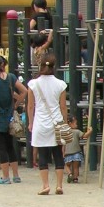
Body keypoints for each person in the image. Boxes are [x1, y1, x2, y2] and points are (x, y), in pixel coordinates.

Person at [27, 52, 69, 195]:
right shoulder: (61, 84)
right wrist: (65, 123)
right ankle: (59, 185)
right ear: (54, 66)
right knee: (58, 154)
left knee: (43, 155)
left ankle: (45, 185)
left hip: (40, 122)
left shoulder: (33, 84)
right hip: (56, 121)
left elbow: (31, 106)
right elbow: (63, 107)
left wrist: (30, 123)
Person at [0, 54, 27, 184]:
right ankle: (16, 175)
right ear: (3, 64)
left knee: (1, 147)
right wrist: (16, 104)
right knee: (10, 146)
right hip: (10, 115)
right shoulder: (11, 78)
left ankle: (5, 177)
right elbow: (24, 91)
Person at [29, 0, 55, 74]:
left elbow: (28, 28)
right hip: (49, 44)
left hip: (39, 44)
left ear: (35, 6)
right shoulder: (50, 16)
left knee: (36, 66)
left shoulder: (36, 16)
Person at [62, 114, 90, 183]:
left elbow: (63, 144)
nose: (76, 125)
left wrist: (63, 152)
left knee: (67, 165)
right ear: (70, 123)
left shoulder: (65, 133)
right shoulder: (77, 131)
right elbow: (85, 136)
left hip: (68, 153)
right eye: (75, 123)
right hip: (76, 152)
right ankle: (75, 178)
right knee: (76, 167)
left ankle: (70, 174)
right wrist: (90, 131)